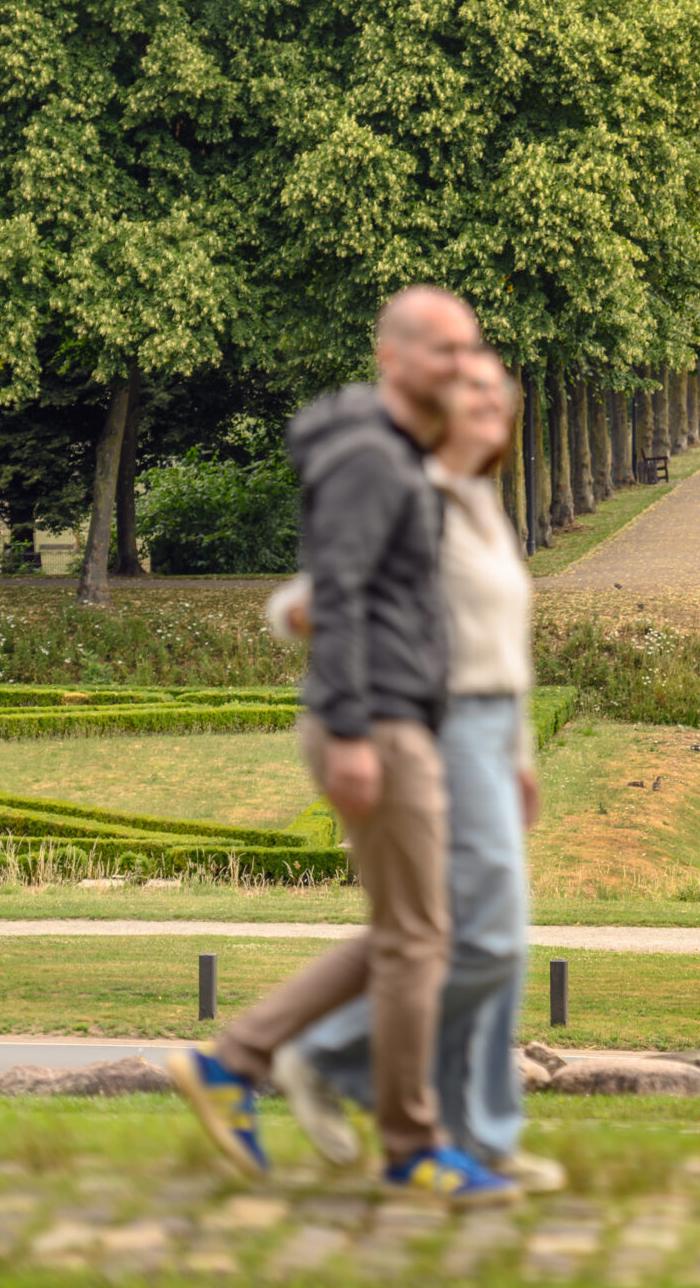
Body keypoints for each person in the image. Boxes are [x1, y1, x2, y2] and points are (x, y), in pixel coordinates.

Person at [168, 287, 519, 1209]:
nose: (461, 366)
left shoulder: (397, 454)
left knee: (412, 930)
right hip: (378, 723)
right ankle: (411, 1146)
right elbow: (341, 596)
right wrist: (357, 731)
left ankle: (236, 1059)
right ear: (393, 357)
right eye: (444, 351)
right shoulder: (369, 457)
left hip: (401, 719)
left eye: (469, 349)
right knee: (420, 937)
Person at [273, 350, 563, 1194]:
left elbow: (507, 644)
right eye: (472, 389)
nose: (491, 400)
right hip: (443, 724)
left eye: (500, 392)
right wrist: (307, 619)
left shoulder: (481, 500)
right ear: (439, 407)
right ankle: (330, 1056)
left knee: (492, 940)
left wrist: (521, 754)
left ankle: (482, 1136)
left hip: (491, 728)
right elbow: (315, 597)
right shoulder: (412, 489)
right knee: (485, 938)